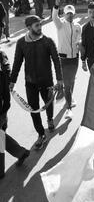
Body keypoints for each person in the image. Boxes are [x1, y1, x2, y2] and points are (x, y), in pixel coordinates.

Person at [9, 16, 63, 150]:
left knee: (48, 104)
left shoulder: (48, 41)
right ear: (28, 28)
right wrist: (12, 81)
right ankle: (41, 134)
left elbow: (56, 61)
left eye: (40, 25)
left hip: (47, 82)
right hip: (30, 83)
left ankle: (50, 119)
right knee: (33, 110)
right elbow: (17, 63)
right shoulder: (21, 43)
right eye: (36, 26)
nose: (40, 28)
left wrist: (59, 79)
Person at [0, 50, 30, 179]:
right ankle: (19, 152)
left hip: (1, 108)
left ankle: (1, 170)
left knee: (1, 137)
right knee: (1, 136)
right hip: (4, 107)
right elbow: (7, 71)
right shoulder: (2, 56)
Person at [53, 0, 82, 120]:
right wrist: (56, 3)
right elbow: (54, 16)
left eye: (71, 13)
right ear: (64, 14)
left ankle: (69, 97)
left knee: (72, 80)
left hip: (74, 58)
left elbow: (78, 40)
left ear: (74, 14)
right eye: (67, 13)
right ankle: (69, 108)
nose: (70, 15)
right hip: (63, 59)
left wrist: (80, 44)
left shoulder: (78, 27)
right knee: (67, 83)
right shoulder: (60, 24)